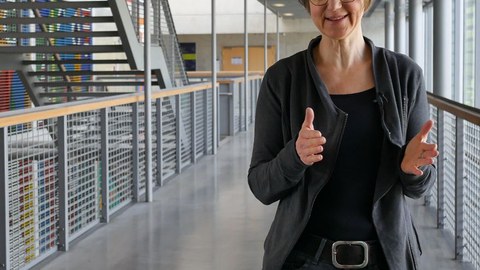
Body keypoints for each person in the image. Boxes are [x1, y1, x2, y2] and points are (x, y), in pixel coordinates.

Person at [247, 0, 439, 269]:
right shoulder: (282, 78)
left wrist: (411, 168)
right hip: (303, 259)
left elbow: (421, 186)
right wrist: (295, 156)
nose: (333, 6)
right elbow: (261, 185)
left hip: (386, 258)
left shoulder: (404, 75)